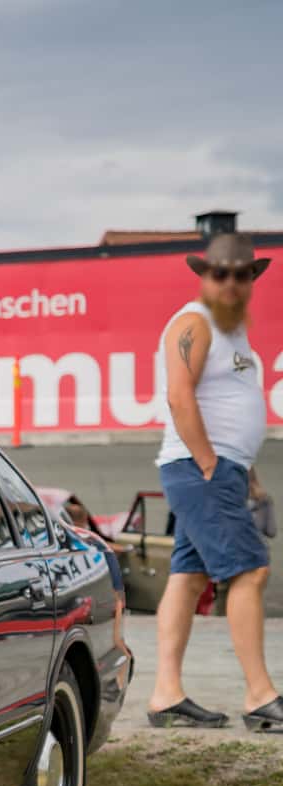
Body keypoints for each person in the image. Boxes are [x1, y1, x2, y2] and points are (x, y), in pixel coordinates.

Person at [146, 231, 280, 731]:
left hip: (223, 470)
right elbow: (181, 397)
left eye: (240, 274)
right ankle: (260, 697)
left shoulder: (233, 335)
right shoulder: (193, 323)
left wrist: (248, 475)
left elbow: (232, 410)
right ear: (204, 275)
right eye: (219, 273)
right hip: (200, 469)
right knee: (250, 571)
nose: (230, 283)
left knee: (188, 576)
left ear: (251, 279)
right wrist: (207, 464)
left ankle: (166, 696)